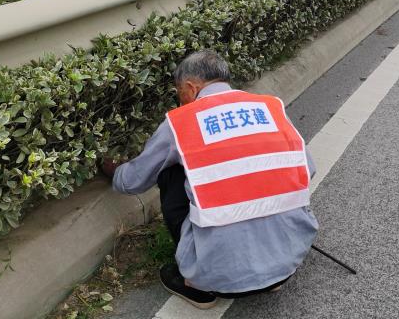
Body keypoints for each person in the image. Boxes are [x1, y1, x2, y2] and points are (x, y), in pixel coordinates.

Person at [108, 50, 318, 308]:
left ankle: (196, 285)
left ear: (190, 86)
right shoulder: (269, 107)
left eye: (179, 93)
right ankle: (272, 271)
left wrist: (112, 170)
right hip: (290, 259)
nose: (181, 100)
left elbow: (132, 181)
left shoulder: (181, 121)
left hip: (217, 276)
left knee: (171, 170)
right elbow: (308, 169)